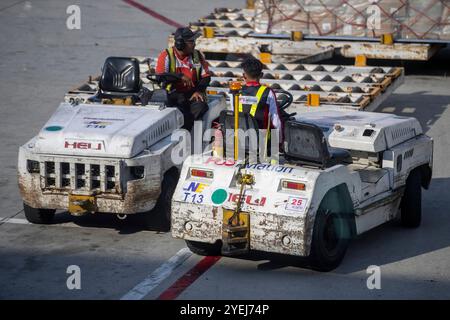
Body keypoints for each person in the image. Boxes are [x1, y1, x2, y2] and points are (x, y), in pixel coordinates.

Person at [156, 27, 211, 131]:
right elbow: (160, 76)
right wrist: (179, 76)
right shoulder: (166, 56)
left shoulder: (196, 55)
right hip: (172, 94)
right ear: (180, 44)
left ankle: (186, 130)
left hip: (191, 94)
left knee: (201, 106)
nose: (194, 44)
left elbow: (206, 77)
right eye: (191, 42)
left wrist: (199, 91)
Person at [238, 57, 284, 139]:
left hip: (240, 139)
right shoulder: (268, 92)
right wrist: (279, 142)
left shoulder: (236, 92)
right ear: (261, 75)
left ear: (244, 75)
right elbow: (276, 121)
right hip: (262, 141)